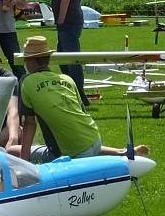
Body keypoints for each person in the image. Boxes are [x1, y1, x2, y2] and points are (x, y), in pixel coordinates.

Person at [13, 36, 146, 162]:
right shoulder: (67, 79)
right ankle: (120, 152)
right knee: (82, 144)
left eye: (25, 59)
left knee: (11, 151)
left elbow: (29, 124)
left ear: (30, 60)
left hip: (71, 153)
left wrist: (24, 162)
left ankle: (116, 153)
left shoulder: (26, 82)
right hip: (94, 139)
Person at [40, 0, 88, 107]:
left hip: (69, 21)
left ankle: (80, 96)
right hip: (67, 21)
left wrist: (59, 20)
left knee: (71, 59)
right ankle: (73, 91)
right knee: (62, 57)